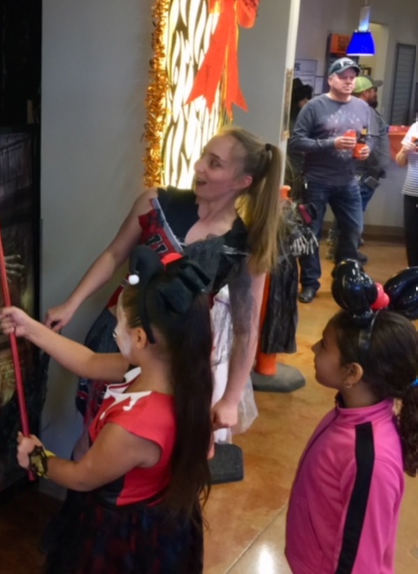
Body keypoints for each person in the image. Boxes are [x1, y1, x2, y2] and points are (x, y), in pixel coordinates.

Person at [45, 126, 283, 443]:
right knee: (96, 430)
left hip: (172, 359)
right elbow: (114, 254)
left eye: (214, 163)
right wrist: (71, 304)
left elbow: (246, 328)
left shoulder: (244, 247)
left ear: (242, 182)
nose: (198, 166)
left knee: (147, 440)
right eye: (203, 156)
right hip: (117, 337)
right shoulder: (155, 202)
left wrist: (230, 398)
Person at [0, 246, 213, 573]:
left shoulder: (134, 426)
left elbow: (82, 477)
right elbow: (89, 361)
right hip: (156, 514)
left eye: (119, 321)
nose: (115, 327)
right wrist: (30, 328)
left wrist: (38, 459)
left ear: (139, 338)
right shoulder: (165, 371)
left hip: (123, 536)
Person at [285, 260, 418, 574]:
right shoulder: (349, 413)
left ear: (352, 373)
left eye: (324, 346)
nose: (314, 348)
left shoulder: (370, 458)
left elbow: (361, 562)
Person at [289, 57, 372, 304]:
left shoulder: (362, 107)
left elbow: (367, 136)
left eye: (352, 77)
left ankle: (345, 277)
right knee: (311, 234)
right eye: (343, 77)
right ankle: (310, 283)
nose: (348, 81)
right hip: (316, 180)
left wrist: (366, 149)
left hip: (348, 180)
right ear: (331, 80)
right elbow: (296, 142)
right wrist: (331, 143)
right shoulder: (314, 107)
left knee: (354, 230)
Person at [327, 75, 391, 264]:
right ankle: (347, 254)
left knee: (349, 213)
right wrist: (374, 170)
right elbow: (369, 143)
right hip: (364, 172)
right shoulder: (367, 112)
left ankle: (341, 249)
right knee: (353, 216)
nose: (375, 93)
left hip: (359, 171)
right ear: (365, 93)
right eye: (373, 90)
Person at [285, 78, 314, 201]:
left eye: (307, 98)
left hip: (301, 168)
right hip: (292, 168)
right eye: (303, 99)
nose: (307, 102)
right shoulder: (291, 123)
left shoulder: (303, 119)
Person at [395, 121, 418, 265]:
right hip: (412, 191)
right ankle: (414, 273)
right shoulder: (416, 127)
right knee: (412, 237)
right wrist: (404, 151)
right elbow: (400, 162)